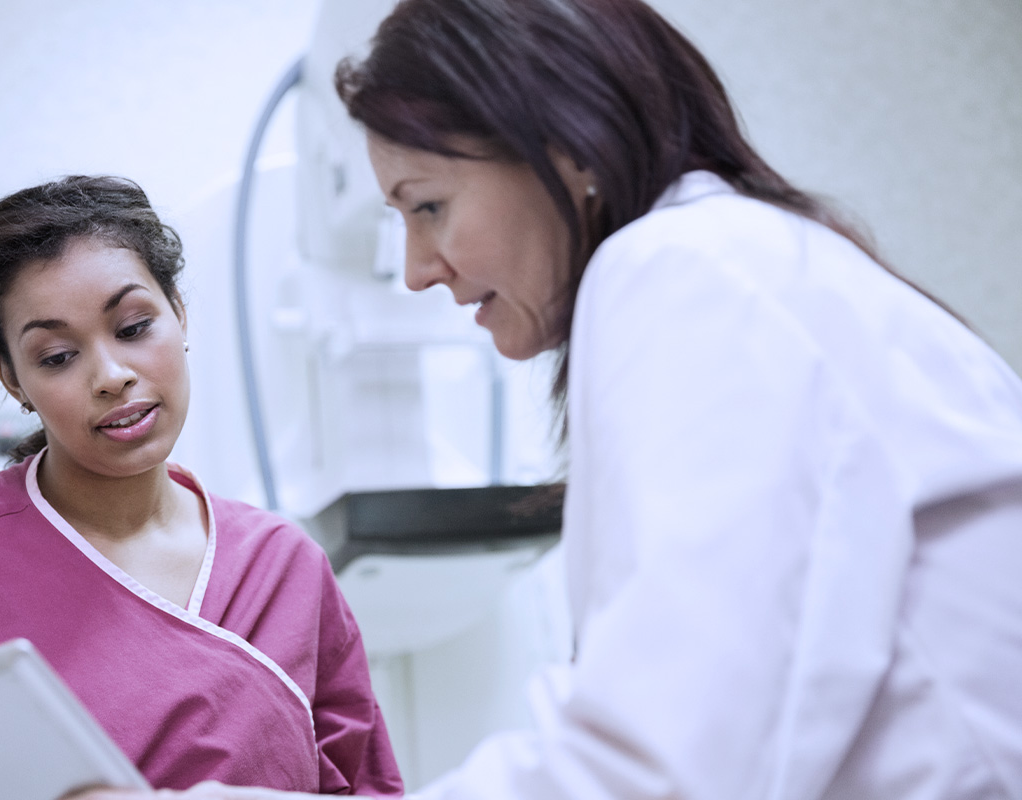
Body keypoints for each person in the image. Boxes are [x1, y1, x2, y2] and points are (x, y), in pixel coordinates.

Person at [75, 0, 1022, 798]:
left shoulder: (684, 269)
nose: (415, 271)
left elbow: (658, 763)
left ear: (566, 149)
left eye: (429, 205)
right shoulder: (754, 262)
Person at [0, 176, 404, 798]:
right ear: (12, 379)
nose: (111, 375)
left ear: (180, 314)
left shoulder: (283, 566)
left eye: (133, 327)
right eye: (56, 356)